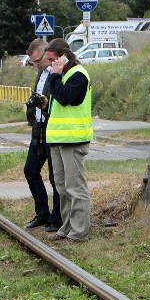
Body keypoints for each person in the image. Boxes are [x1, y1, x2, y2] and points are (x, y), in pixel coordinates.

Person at [40, 38, 92, 243]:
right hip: (58, 139)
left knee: (75, 187)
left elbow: (64, 97)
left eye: (53, 60)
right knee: (61, 187)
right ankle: (67, 226)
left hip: (74, 139)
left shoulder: (78, 75)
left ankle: (79, 232)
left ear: (63, 56)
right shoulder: (62, 74)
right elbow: (59, 105)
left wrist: (54, 77)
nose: (51, 64)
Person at [22, 39, 62, 232]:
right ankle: (43, 213)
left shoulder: (57, 72)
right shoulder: (40, 73)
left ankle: (57, 217)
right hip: (38, 128)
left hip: (52, 128)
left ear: (47, 53)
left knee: (55, 177)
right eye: (33, 62)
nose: (35, 65)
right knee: (30, 170)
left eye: (37, 60)